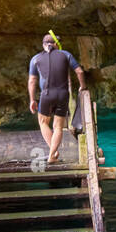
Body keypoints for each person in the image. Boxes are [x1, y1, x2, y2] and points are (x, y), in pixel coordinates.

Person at [28, 33, 86, 163]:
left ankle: (53, 152)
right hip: (62, 94)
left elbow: (32, 80)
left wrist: (32, 99)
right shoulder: (65, 54)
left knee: (43, 123)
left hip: (47, 94)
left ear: (44, 45)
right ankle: (52, 155)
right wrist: (83, 87)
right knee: (58, 127)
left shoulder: (36, 59)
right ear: (55, 44)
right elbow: (79, 71)